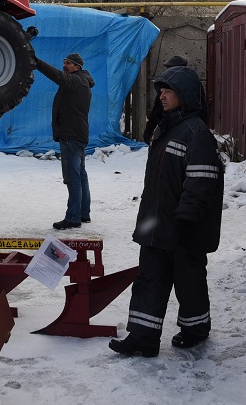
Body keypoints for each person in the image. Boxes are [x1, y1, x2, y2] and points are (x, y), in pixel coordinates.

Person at [110, 65, 224, 357]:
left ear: (185, 94)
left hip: (184, 228)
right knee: (149, 278)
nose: (161, 96)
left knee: (189, 282)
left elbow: (201, 182)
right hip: (158, 225)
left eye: (168, 91)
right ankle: (143, 338)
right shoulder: (167, 128)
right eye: (160, 91)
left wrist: (186, 219)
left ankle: (195, 329)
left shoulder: (196, 134)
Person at [35, 52, 94, 229]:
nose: (64, 66)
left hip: (71, 135)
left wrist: (36, 62)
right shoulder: (81, 81)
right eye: (64, 62)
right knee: (80, 175)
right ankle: (83, 213)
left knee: (72, 177)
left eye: (68, 63)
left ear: (78, 66)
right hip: (77, 134)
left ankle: (73, 217)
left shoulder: (77, 81)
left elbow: (56, 75)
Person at [143, 54, 188, 143]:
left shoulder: (191, 85)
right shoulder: (165, 86)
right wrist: (149, 130)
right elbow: (157, 110)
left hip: (184, 128)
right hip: (168, 126)